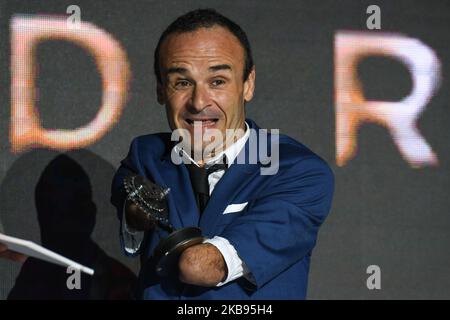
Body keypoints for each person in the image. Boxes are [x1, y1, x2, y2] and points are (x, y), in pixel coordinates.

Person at [110, 8, 334, 300]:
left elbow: (200, 268)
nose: (199, 102)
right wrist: (135, 214)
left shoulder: (297, 171)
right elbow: (129, 209)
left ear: (247, 84)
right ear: (160, 90)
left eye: (217, 81)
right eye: (182, 82)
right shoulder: (146, 156)